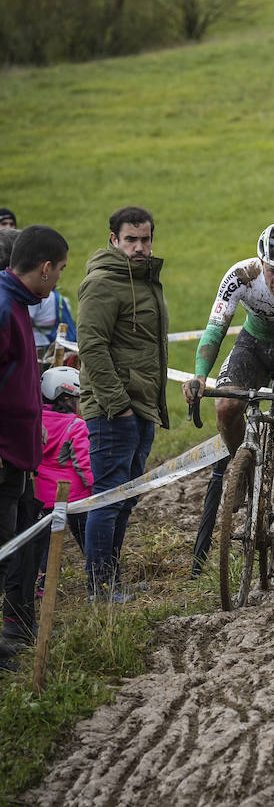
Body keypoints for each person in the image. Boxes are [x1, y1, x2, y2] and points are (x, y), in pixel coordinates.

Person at [184, 221, 274, 578]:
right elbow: (216, 327)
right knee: (226, 405)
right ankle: (243, 469)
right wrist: (200, 374)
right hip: (254, 346)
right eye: (273, 271)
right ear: (261, 262)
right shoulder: (241, 275)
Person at [77, 207, 168, 600]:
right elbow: (91, 347)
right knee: (109, 495)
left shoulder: (145, 279)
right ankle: (99, 588)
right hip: (114, 408)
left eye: (145, 239)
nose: (139, 247)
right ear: (113, 240)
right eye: (131, 239)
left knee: (125, 497)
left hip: (141, 405)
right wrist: (118, 404)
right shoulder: (102, 283)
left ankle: (112, 581)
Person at [1, 225, 67, 665]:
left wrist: (37, 421)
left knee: (17, 545)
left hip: (21, 450)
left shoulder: (18, 304)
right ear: (44, 268)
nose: (59, 279)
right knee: (3, 548)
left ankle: (14, 627)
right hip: (4, 455)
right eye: (59, 270)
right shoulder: (5, 308)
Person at [33, 366, 93, 604]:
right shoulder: (76, 425)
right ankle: (99, 577)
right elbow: (84, 462)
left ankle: (40, 586)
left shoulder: (36, 424)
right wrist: (96, 488)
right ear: (66, 398)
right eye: (79, 399)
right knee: (87, 539)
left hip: (43, 498)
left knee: (43, 548)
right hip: (76, 497)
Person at [30, 286, 76, 351]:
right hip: (52, 341)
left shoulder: (37, 296)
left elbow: (25, 321)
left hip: (38, 343)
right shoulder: (56, 296)